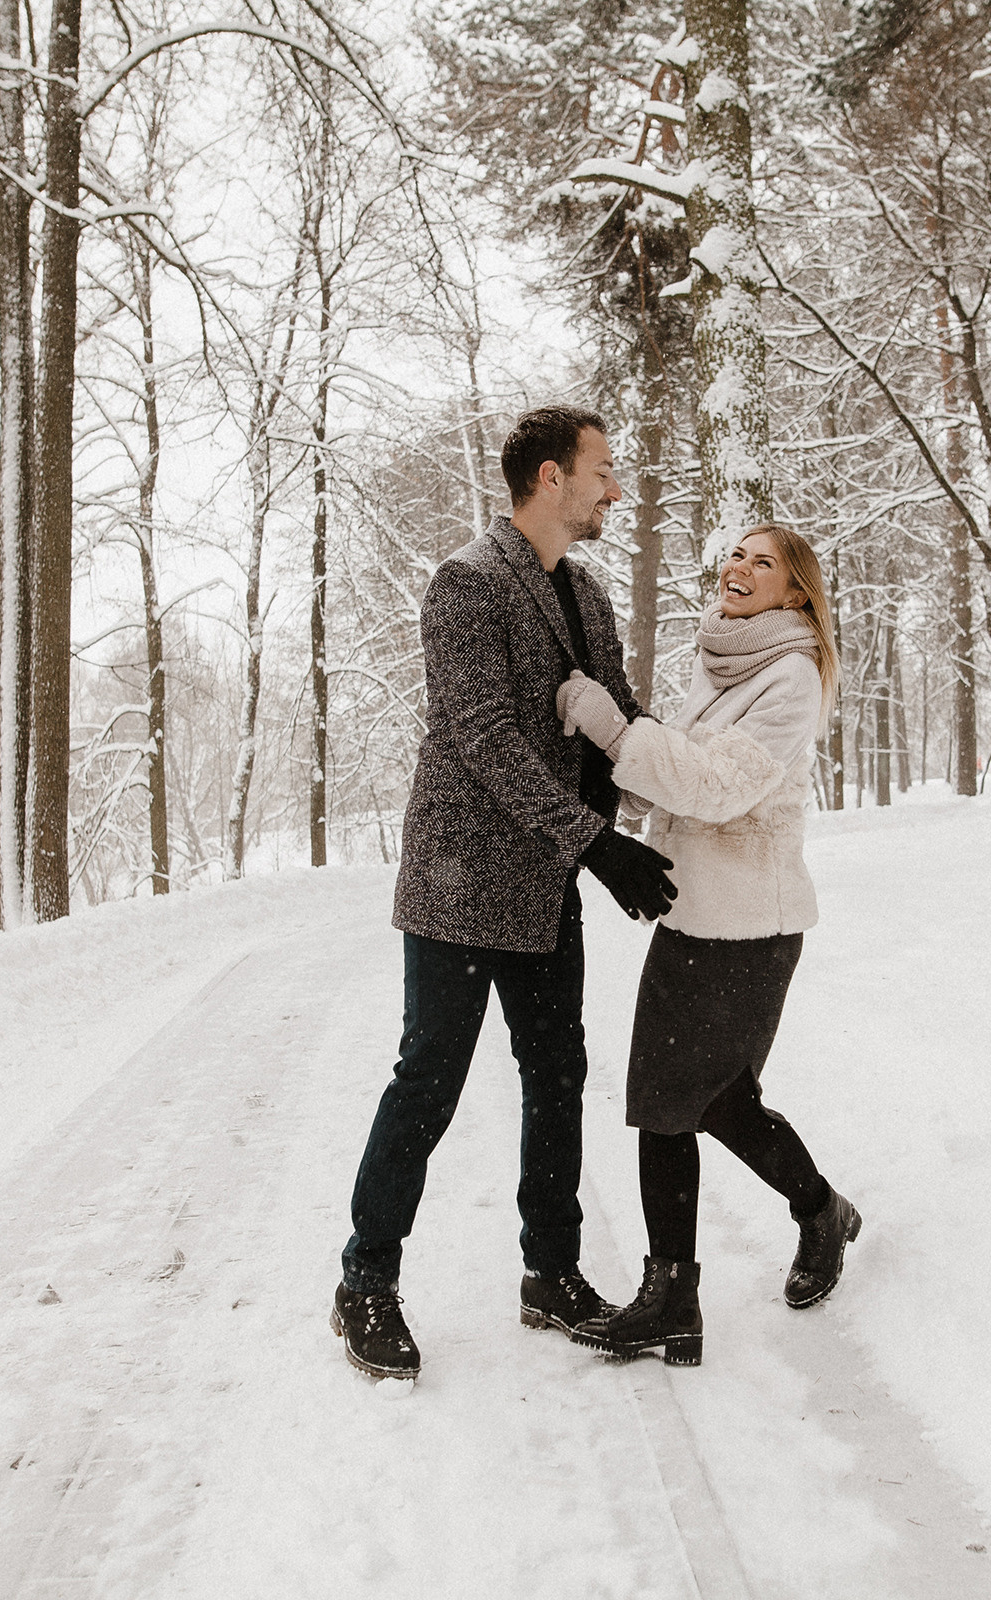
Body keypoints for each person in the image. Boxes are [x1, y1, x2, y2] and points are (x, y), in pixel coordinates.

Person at [332, 405, 680, 1381]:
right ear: (547, 478)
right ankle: (365, 1280)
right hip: (457, 885)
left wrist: (682, 778)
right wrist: (597, 845)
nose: (616, 488)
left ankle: (552, 1273)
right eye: (602, 470)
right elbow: (485, 740)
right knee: (430, 1082)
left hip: (543, 882)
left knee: (557, 1074)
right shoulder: (465, 586)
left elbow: (614, 717)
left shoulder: (592, 595)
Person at [551, 522, 860, 1368]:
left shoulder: (791, 675)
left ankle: (692, 1286)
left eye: (765, 563)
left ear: (797, 594)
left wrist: (616, 733)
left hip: (750, 928)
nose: (740, 568)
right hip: (700, 916)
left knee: (685, 1101)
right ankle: (775, 1236)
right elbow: (688, 757)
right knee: (694, 1100)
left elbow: (720, 786)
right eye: (735, 554)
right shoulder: (723, 659)